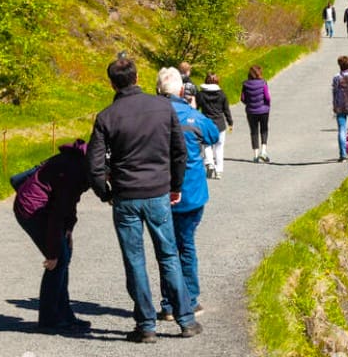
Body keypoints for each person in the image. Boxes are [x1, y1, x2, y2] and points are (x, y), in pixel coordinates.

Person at [86, 54, 201, 342]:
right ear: (137, 78)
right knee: (169, 254)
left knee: (134, 259)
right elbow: (179, 151)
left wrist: (105, 193)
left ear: (112, 84)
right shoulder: (163, 107)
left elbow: (94, 164)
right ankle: (185, 320)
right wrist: (176, 185)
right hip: (158, 192)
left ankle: (146, 325)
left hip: (126, 195)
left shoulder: (106, 117)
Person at [156, 68, 219, 322]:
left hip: (160, 190)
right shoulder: (192, 117)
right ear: (183, 90)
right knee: (186, 245)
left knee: (166, 248)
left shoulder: (154, 116)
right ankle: (189, 300)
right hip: (191, 192)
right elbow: (213, 135)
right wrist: (191, 107)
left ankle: (169, 303)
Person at [12, 139, 91, 332]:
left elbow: (69, 202)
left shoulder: (81, 162)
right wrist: (52, 252)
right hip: (32, 208)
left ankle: (64, 314)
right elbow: (58, 212)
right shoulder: (76, 168)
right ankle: (49, 319)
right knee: (58, 261)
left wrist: (69, 229)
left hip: (47, 207)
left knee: (64, 257)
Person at [196, 73, 233, 178]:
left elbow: (196, 108)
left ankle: (210, 163)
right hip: (220, 124)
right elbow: (226, 110)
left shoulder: (201, 94)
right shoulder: (222, 94)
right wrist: (230, 122)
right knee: (219, 147)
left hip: (206, 123)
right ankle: (219, 170)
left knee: (207, 144)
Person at [241, 64, 271, 163]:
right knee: (264, 129)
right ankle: (263, 151)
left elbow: (242, 98)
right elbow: (267, 97)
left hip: (251, 111)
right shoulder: (263, 83)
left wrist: (249, 104)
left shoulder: (245, 84)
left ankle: (255, 155)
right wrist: (267, 105)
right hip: (263, 110)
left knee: (254, 132)